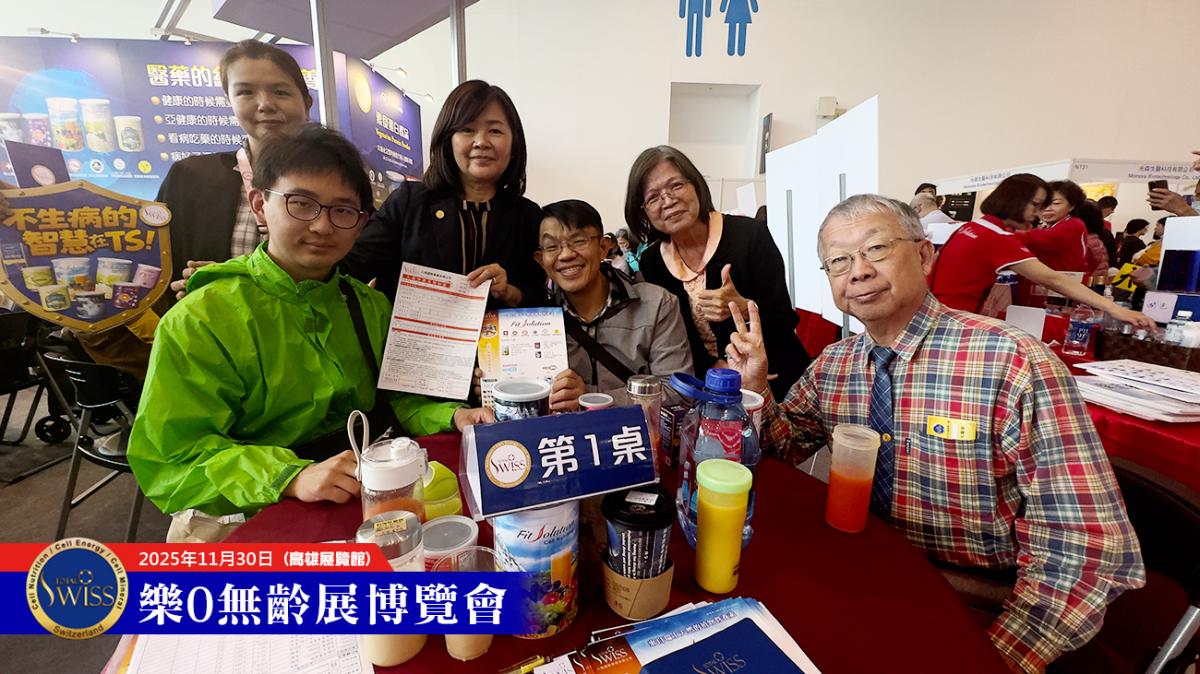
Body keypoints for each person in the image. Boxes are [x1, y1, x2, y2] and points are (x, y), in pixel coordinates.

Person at [725, 194, 1145, 674]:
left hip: (978, 597)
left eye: (876, 249)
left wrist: (996, 658)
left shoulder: (1012, 362)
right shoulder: (835, 364)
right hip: (865, 573)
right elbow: (781, 448)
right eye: (838, 261)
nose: (857, 272)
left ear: (925, 255)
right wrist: (753, 389)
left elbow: (1085, 546)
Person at [128, 126, 492, 542]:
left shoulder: (368, 305)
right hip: (240, 518)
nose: (322, 225)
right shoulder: (201, 318)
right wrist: (288, 476)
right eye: (301, 203)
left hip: (358, 500)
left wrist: (452, 415)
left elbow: (397, 400)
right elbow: (172, 457)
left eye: (342, 211)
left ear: (361, 224)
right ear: (260, 204)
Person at [625, 145, 810, 400]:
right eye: (653, 197)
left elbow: (784, 319)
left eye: (676, 186)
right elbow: (673, 334)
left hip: (776, 379)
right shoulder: (652, 261)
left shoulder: (750, 235)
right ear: (643, 211)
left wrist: (744, 307)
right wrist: (714, 366)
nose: (668, 201)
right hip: (708, 386)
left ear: (696, 185)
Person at [344, 80, 543, 308]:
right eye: (467, 129)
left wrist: (511, 292)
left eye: (495, 131)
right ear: (448, 140)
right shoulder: (409, 202)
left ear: (514, 143)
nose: (481, 142)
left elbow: (544, 296)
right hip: (413, 332)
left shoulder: (528, 216)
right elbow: (351, 268)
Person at [162, 40, 314, 301]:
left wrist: (237, 282)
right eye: (246, 92)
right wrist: (190, 287)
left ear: (306, 103)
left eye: (280, 92)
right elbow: (162, 267)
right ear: (230, 101)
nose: (265, 104)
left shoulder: (336, 183)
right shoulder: (189, 176)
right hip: (210, 322)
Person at [929, 173, 1153, 328]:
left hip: (938, 313)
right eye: (1036, 205)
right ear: (1015, 201)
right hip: (955, 319)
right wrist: (1114, 309)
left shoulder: (972, 227)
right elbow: (1051, 278)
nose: (1038, 213)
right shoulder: (997, 236)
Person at [533, 199, 692, 408]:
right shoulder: (533, 320)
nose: (566, 254)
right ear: (541, 259)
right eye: (552, 247)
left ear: (603, 247)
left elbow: (678, 392)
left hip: (634, 429)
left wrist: (591, 397)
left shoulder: (657, 304)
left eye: (578, 241)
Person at [1020, 179, 1088, 272]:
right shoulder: (1048, 227)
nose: (1047, 208)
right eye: (1042, 204)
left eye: (1056, 203)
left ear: (1072, 206)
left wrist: (1008, 234)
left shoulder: (1074, 224)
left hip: (1066, 279)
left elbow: (1048, 239)